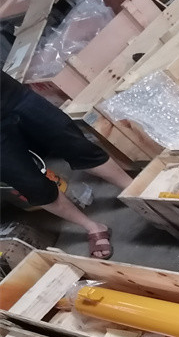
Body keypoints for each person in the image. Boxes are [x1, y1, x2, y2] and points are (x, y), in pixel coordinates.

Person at [0, 70, 133, 258]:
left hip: (11, 96)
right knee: (32, 186)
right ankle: (93, 227)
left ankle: (135, 192)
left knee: (77, 146)